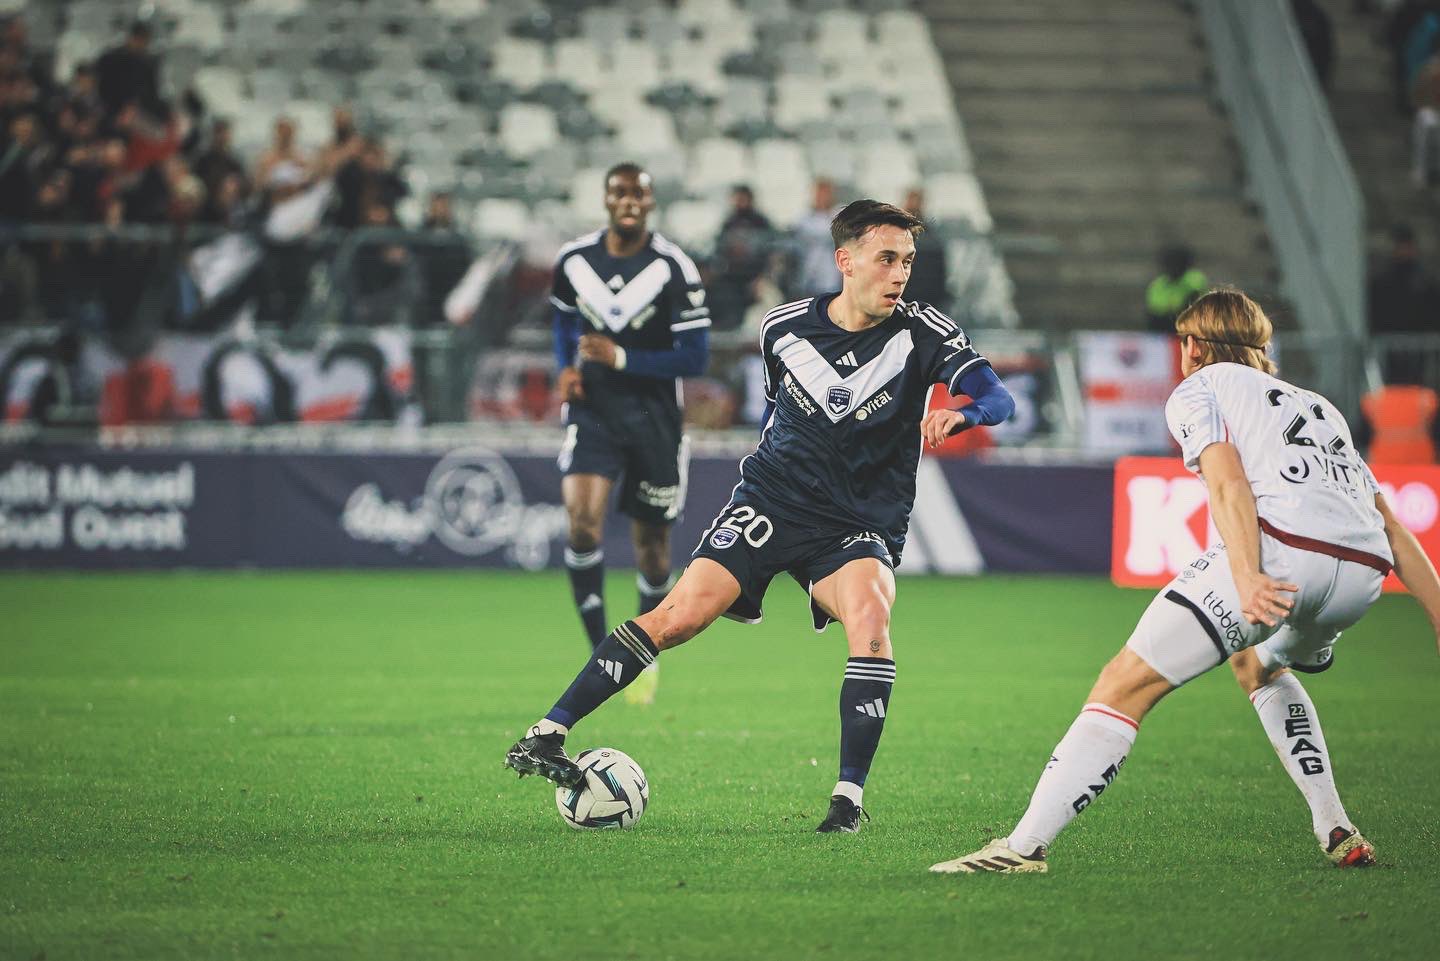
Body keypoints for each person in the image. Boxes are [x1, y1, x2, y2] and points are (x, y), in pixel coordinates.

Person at [505, 199, 1016, 832]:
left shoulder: (924, 333)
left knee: (870, 616)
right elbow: (782, 416)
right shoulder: (783, 328)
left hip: (855, 524)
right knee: (677, 617)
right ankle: (548, 732)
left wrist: (964, 412)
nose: (899, 274)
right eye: (886, 259)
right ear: (845, 261)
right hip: (770, 503)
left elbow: (998, 396)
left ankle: (847, 802)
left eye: (907, 261)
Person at [931, 288, 1440, 875]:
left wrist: (1248, 575)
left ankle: (1020, 850)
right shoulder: (1319, 407)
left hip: (1283, 561)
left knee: (1124, 683)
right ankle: (1334, 823)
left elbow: (1227, 485)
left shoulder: (1200, 387)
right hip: (1360, 579)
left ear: (1192, 346)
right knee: (1257, 664)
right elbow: (1392, 524)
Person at [547, 162, 712, 705]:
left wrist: (621, 356)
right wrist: (567, 367)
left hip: (654, 419)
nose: (629, 202)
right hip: (594, 411)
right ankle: (602, 654)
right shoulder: (574, 261)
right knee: (582, 525)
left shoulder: (673, 268)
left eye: (638, 193)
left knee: (653, 551)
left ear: (651, 201)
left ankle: (640, 658)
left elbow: (696, 355)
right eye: (619, 192)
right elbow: (565, 322)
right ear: (605, 198)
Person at [1144, 244, 1207, 333]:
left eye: (1177, 263)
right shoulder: (1158, 284)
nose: (1172, 268)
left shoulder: (1194, 278)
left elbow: (1192, 304)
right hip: (1163, 330)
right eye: (1169, 264)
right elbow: (1154, 312)